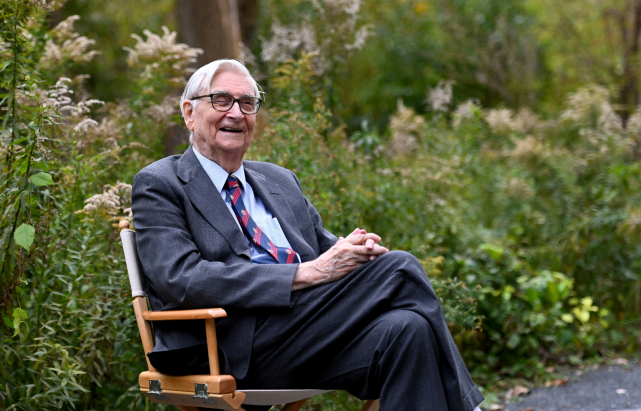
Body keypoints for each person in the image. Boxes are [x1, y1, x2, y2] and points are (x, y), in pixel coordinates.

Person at [131, 59, 483, 411]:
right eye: (221, 100)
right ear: (189, 113)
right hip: (230, 343)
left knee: (408, 330)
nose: (237, 113)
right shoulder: (161, 183)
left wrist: (355, 251)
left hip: (307, 335)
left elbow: (325, 251)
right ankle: (471, 407)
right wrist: (303, 274)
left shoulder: (279, 180)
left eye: (247, 103)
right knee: (400, 268)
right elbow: (181, 278)